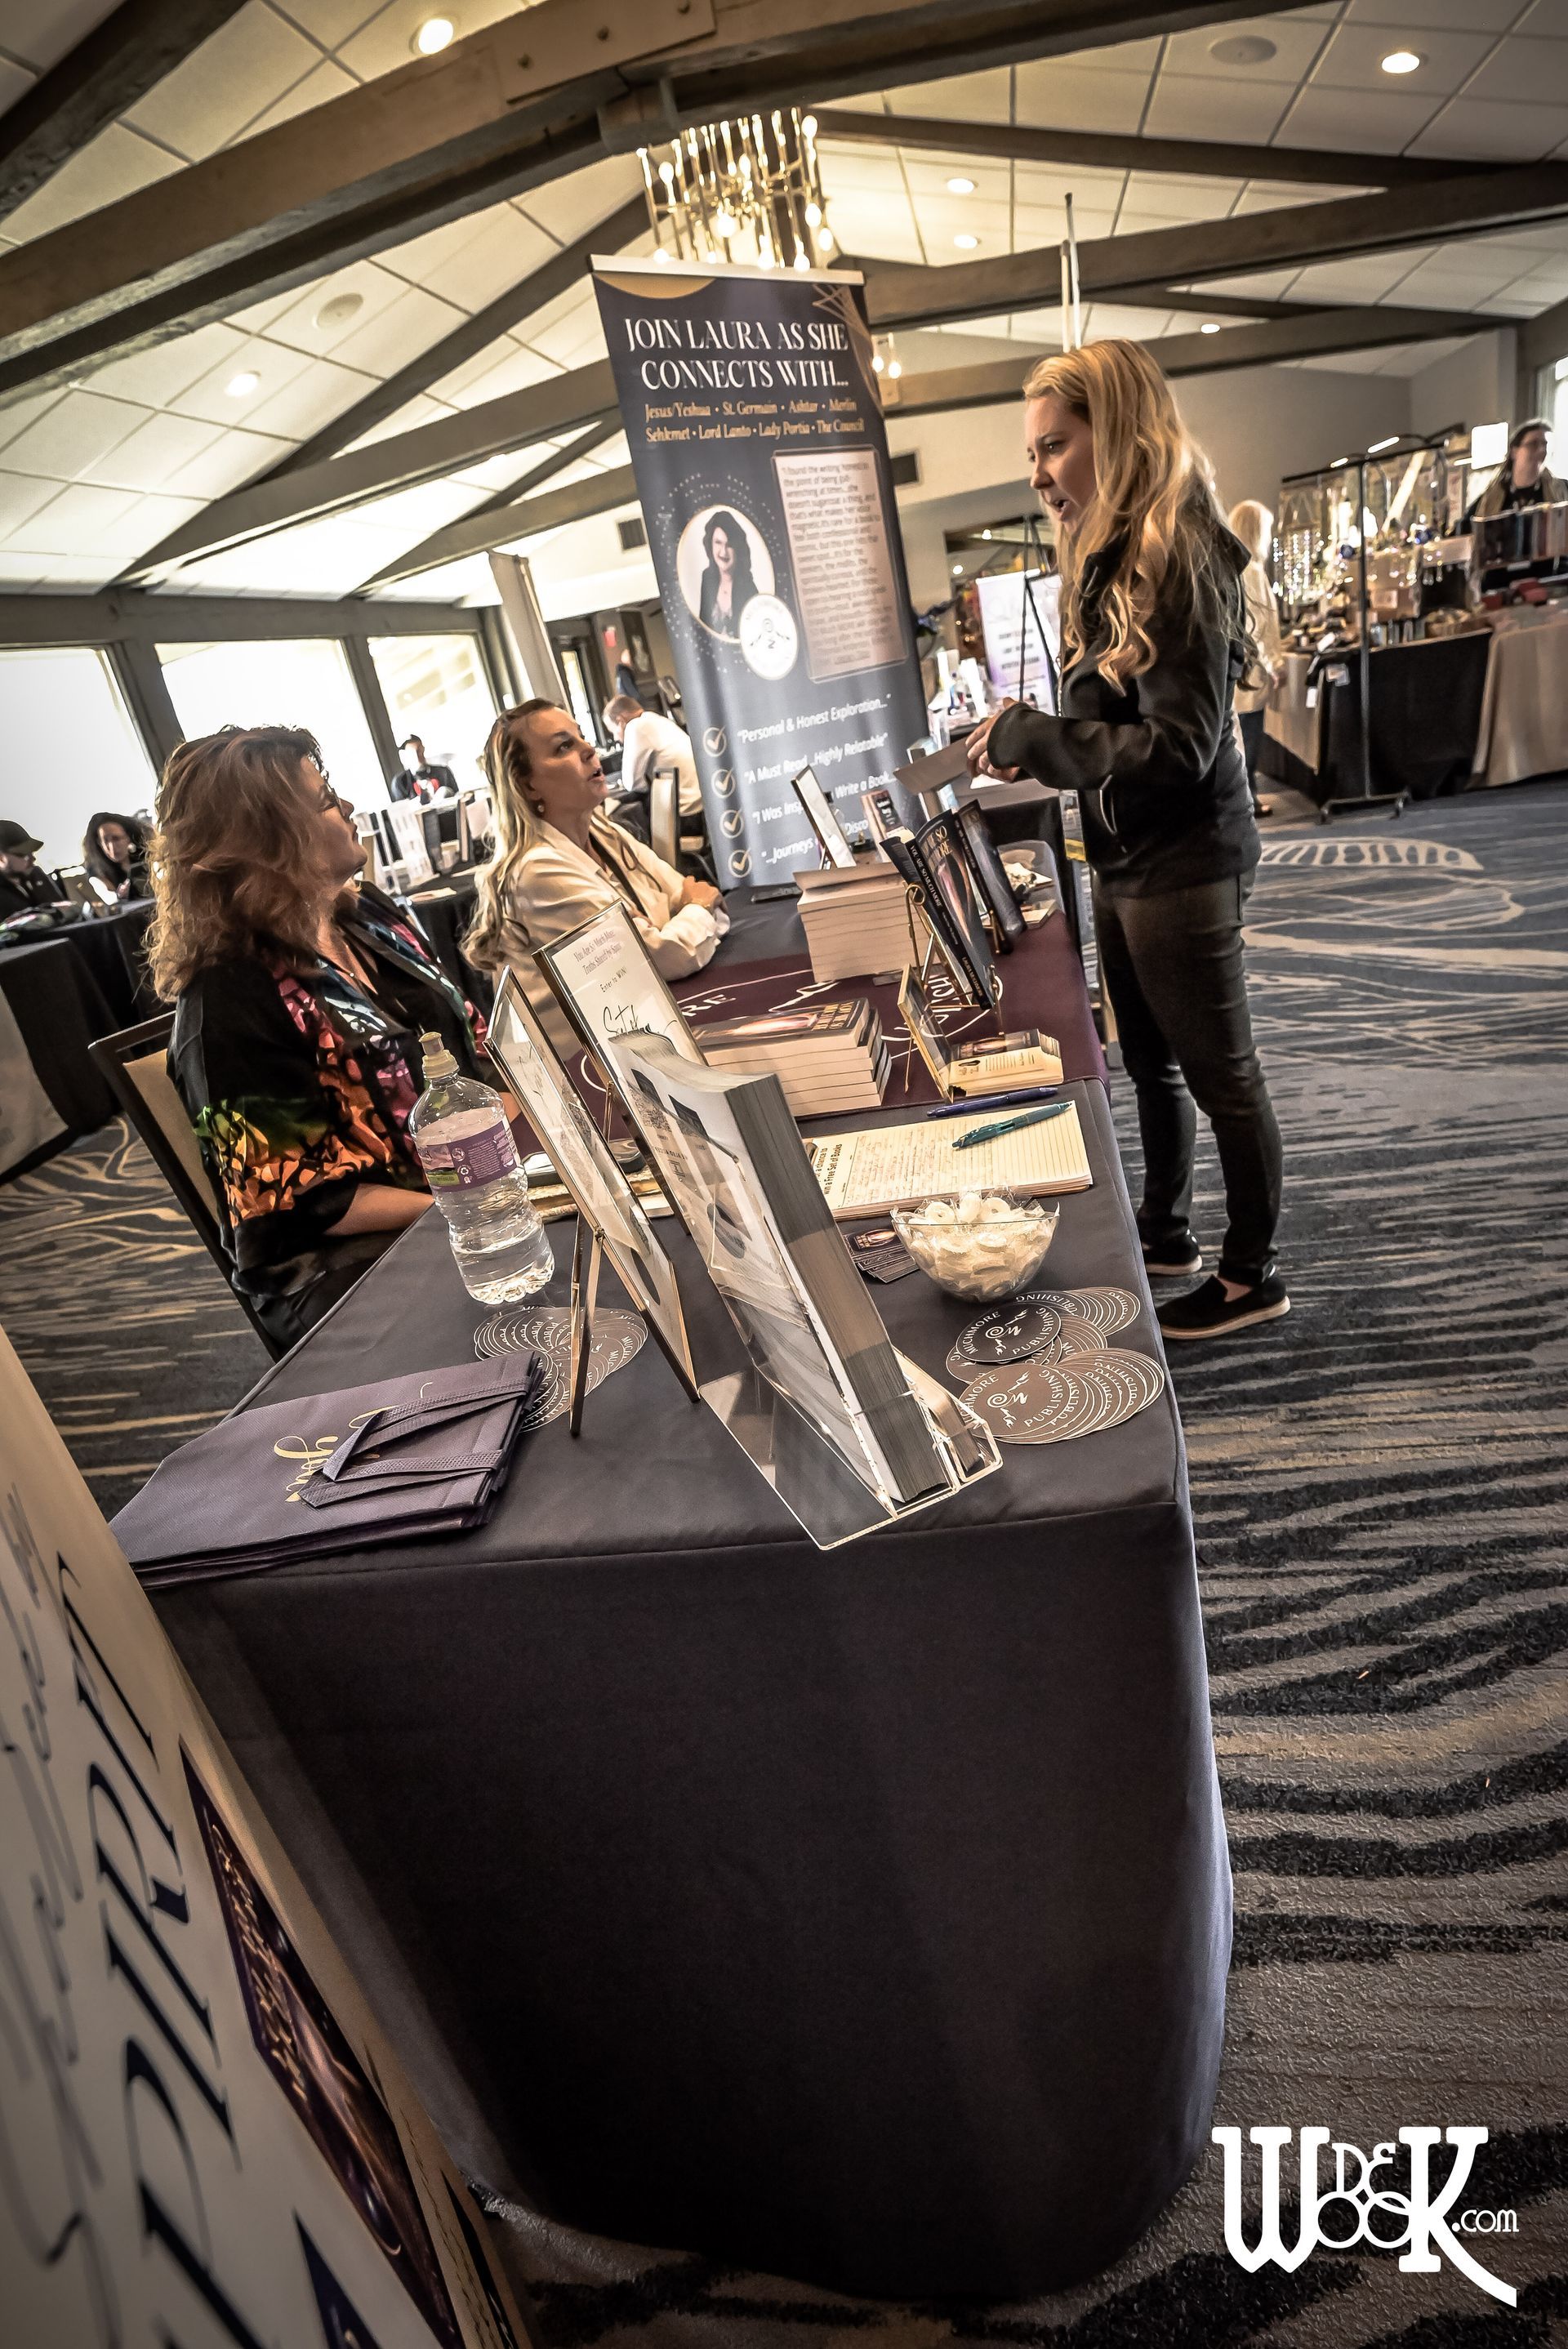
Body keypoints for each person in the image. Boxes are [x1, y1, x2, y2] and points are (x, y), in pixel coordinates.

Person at [965, 338, 1285, 1341]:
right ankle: (1166, 1232)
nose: (1038, 474)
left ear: (1120, 432)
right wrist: (1033, 737)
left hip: (1183, 860)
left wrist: (1040, 737)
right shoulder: (1113, 555)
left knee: (1222, 1074)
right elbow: (1113, 722)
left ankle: (1251, 1275)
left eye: (1054, 445)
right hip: (1126, 856)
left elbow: (1178, 748)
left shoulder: (1177, 551)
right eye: (1033, 453)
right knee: (1150, 1063)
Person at [149, 724, 492, 1350]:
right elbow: (302, 1206)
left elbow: (466, 1044)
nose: (350, 806)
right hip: (348, 1265)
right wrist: (475, 1200)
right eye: (328, 799)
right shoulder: (228, 1001)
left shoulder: (368, 917)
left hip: (454, 1185)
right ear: (269, 842)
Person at [466, 700, 728, 1049]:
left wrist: (680, 918)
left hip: (642, 1026)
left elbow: (697, 904)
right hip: (585, 1064)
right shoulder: (537, 872)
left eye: (581, 737)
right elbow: (667, 957)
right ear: (527, 786)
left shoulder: (605, 833)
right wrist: (694, 910)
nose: (589, 749)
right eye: (563, 747)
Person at [1227, 501, 1282, 822]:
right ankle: (1248, 796)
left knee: (1239, 737)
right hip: (1251, 671)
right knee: (1249, 737)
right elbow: (1261, 626)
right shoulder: (1253, 572)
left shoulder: (1233, 569)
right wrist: (1275, 663)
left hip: (1238, 671)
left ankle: (1245, 795)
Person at [603, 693, 704, 819]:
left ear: (620, 721)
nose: (615, 738)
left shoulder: (636, 726)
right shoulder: (655, 719)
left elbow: (631, 784)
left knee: (622, 815)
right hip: (700, 802)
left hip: (685, 813)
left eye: (613, 731)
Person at [1466, 418, 1561, 521]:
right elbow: (1464, 527)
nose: (1541, 450)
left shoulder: (1561, 491)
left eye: (1544, 444)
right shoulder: (1490, 498)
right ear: (1514, 452)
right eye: (1533, 444)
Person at [697, 509, 758, 639]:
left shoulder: (748, 587)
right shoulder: (707, 577)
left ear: (738, 549)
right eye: (718, 543)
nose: (723, 552)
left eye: (729, 545)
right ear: (710, 544)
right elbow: (702, 627)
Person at [0, 820, 67, 919]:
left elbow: (64, 911)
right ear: (1, 859)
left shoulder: (35, 875)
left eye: (31, 853)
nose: (33, 859)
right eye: (24, 855)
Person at [82, 810, 152, 903]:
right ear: (99, 843)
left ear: (128, 838)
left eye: (116, 839)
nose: (112, 847)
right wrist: (118, 896)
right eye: (106, 841)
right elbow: (107, 895)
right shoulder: (95, 869)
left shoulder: (146, 856)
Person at [390, 734, 458, 802]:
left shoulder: (443, 772)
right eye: (411, 753)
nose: (416, 756)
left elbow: (457, 798)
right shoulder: (401, 781)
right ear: (404, 755)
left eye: (419, 750)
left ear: (423, 749)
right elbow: (402, 806)